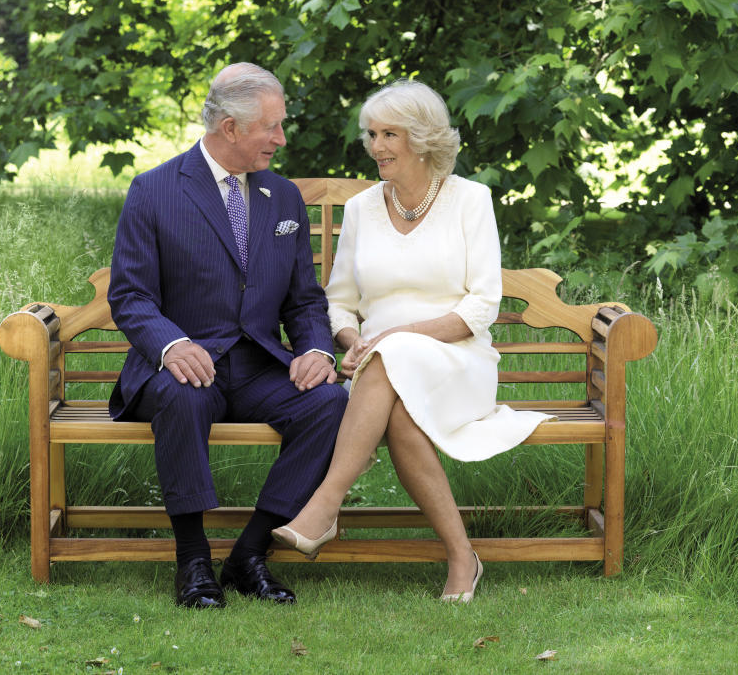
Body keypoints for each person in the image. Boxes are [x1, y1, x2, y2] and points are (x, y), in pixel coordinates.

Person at [271, 79, 553, 603]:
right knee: (398, 406)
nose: (377, 146)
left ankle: (325, 502)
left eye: (390, 134)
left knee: (392, 352)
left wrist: (390, 337)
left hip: (459, 362)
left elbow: (480, 307)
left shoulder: (470, 200)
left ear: (422, 139)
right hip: (383, 371)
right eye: (372, 134)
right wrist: (354, 339)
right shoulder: (360, 210)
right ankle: (461, 557)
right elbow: (339, 301)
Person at [108, 63, 348, 609]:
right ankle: (193, 561)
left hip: (257, 366)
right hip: (182, 365)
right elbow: (130, 296)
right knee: (182, 394)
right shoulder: (154, 190)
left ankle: (249, 553)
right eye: (272, 127)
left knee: (330, 402)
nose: (281, 139)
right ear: (231, 129)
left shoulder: (283, 197)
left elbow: (305, 299)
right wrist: (171, 344)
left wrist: (315, 348)